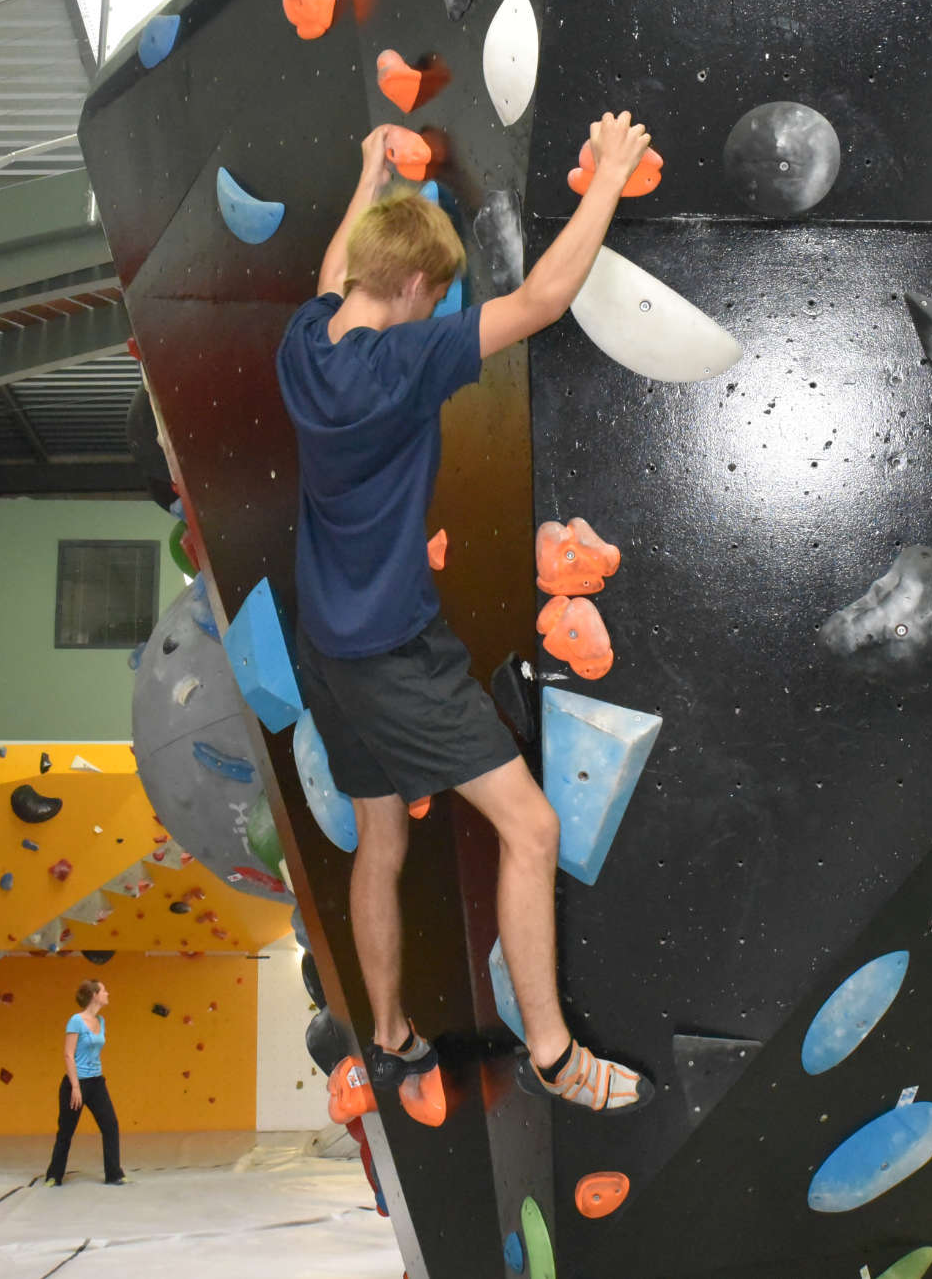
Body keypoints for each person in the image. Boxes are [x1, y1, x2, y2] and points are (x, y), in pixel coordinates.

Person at [275, 114, 659, 1117]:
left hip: (324, 641)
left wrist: (368, 173)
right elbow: (539, 298)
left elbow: (331, 273)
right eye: (432, 297)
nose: (436, 309)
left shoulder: (306, 344)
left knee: (379, 839)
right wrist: (608, 177)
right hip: (393, 654)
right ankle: (553, 1055)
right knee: (529, 828)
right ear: (412, 293)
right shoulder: (405, 362)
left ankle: (393, 1034)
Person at [43, 979, 125, 1186]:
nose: (107, 993)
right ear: (94, 995)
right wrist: (76, 1087)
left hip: (97, 1082)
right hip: (76, 1083)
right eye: (104, 990)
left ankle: (114, 1173)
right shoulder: (76, 1021)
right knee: (66, 1130)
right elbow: (68, 1055)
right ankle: (54, 1175)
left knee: (111, 1126)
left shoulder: (101, 1021)